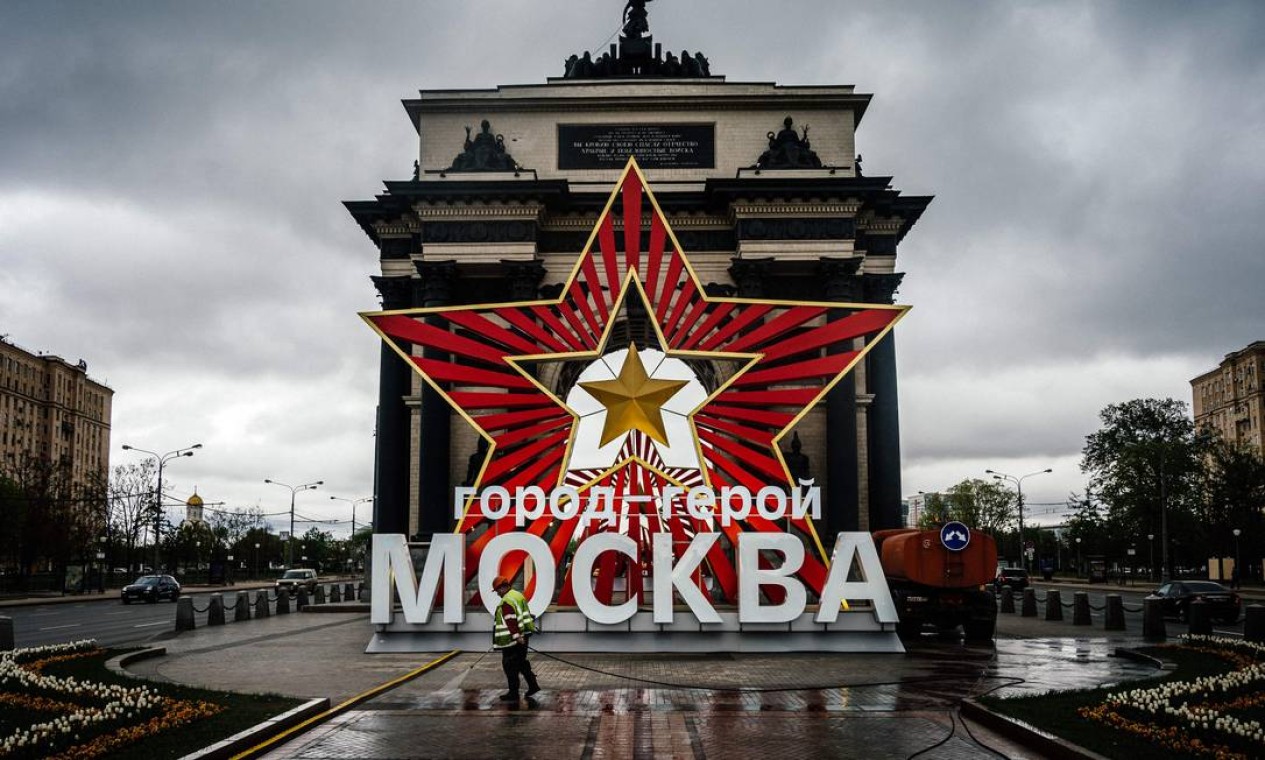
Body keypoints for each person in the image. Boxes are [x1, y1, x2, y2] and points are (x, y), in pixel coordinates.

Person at [492, 574, 540, 701]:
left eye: (497, 591)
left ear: (502, 588)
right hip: (523, 635)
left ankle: (513, 693)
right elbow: (523, 614)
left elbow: (510, 620)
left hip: (512, 640)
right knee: (521, 662)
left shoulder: (507, 600)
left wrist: (517, 636)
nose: (497, 594)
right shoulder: (518, 595)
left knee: (509, 665)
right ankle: (533, 686)